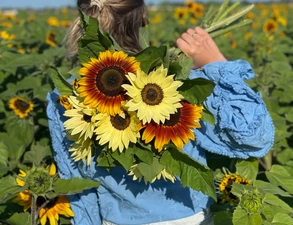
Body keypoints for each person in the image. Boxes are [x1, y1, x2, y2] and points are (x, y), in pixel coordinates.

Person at [46, 0, 275, 224]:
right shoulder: (175, 83)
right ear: (143, 18)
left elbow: (77, 184)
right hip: (188, 218)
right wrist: (215, 63)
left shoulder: (66, 94)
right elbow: (254, 136)